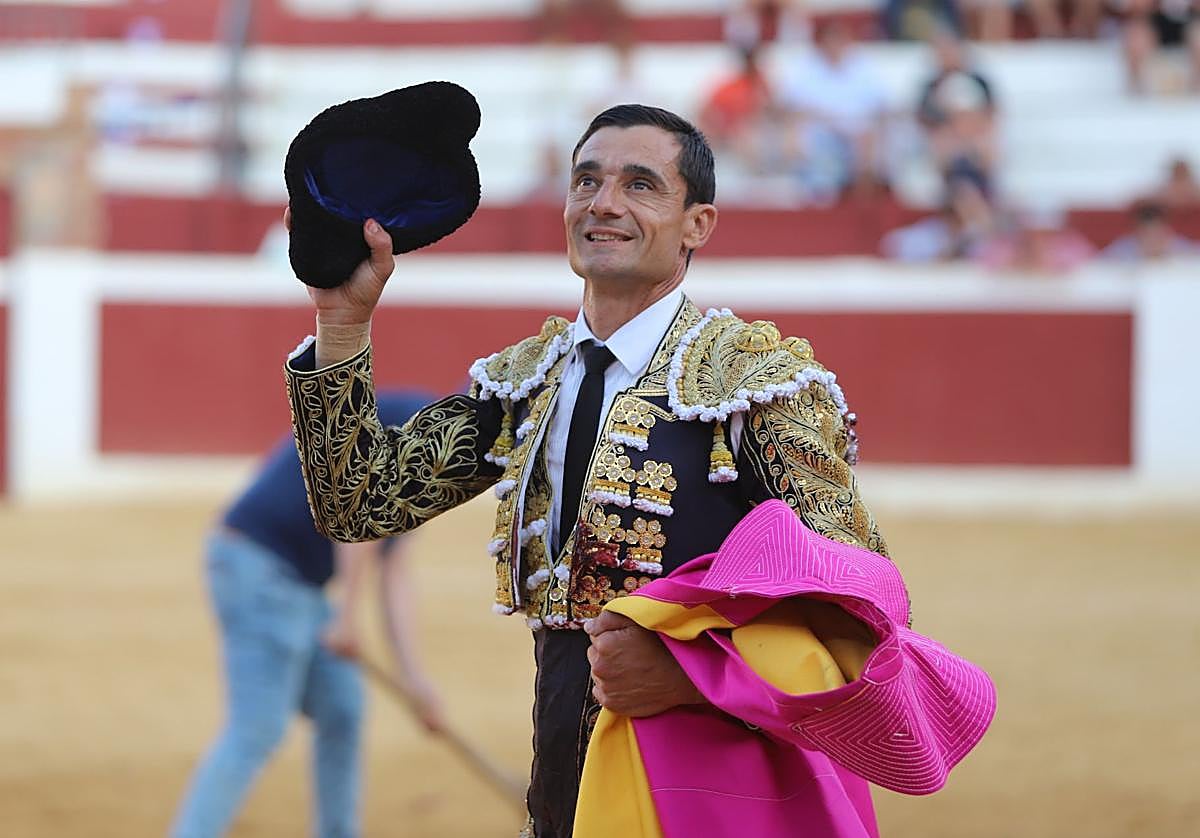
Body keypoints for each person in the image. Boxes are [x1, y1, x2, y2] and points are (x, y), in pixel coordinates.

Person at [283, 104, 889, 837]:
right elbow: (360, 505)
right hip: (563, 778)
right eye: (587, 181)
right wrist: (342, 324)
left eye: (640, 185)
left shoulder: (757, 387)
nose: (604, 204)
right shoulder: (527, 382)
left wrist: (693, 679)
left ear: (698, 224)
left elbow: (858, 607)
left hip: (712, 788)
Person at [171, 392, 443, 838]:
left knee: (342, 710)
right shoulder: (421, 434)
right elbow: (359, 527)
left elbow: (393, 567)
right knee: (256, 728)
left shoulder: (435, 443)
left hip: (297, 582)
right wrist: (348, 619)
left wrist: (416, 681)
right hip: (260, 566)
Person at [1101, 199, 1200, 260]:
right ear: (1136, 233)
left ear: (1167, 231)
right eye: (1147, 235)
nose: (1153, 241)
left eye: (1158, 235)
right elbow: (1100, 266)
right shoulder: (1122, 250)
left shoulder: (1181, 247)